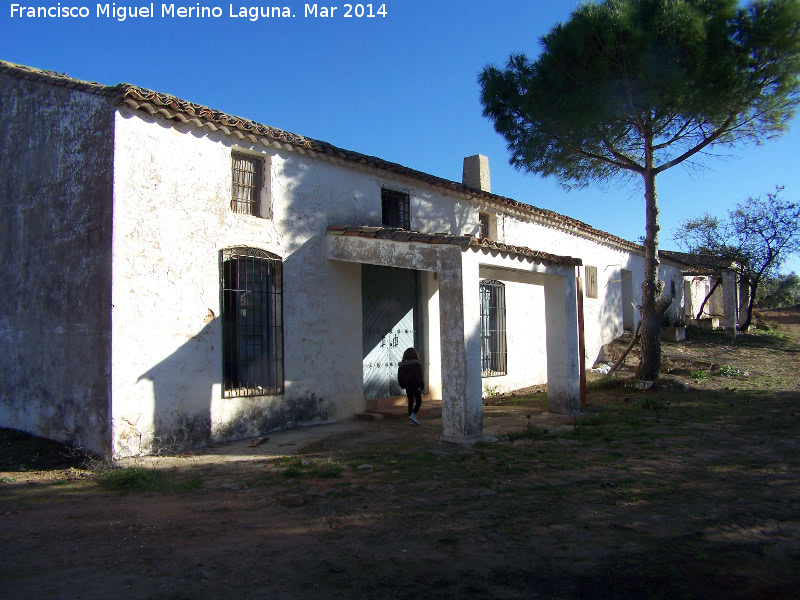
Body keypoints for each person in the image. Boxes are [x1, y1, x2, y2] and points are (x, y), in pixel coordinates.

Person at [397, 347, 424, 425]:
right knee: (418, 402)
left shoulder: (402, 366)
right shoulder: (417, 365)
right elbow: (419, 376)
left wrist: (402, 384)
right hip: (416, 386)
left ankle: (411, 420)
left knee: (410, 402)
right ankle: (413, 415)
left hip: (408, 386)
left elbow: (399, 376)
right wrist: (421, 386)